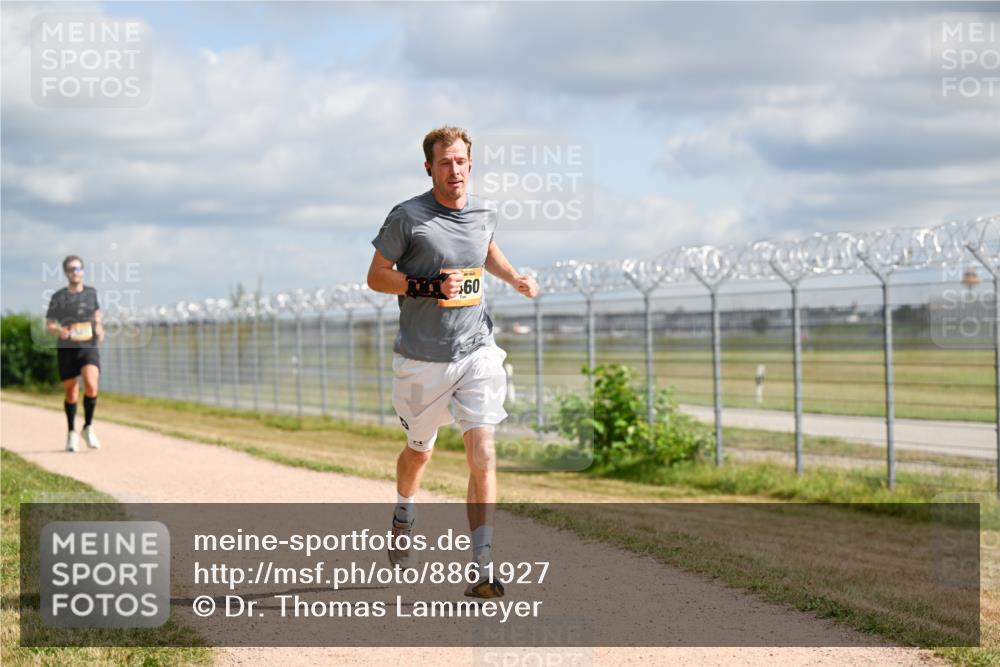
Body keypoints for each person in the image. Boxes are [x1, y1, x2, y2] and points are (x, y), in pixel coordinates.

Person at [367, 126, 539, 599]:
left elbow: (484, 252)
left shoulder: (484, 211)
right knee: (419, 452)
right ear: (429, 168)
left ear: (471, 164)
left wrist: (515, 278)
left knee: (482, 451)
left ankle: (482, 564)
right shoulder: (408, 217)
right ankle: (404, 510)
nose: (455, 170)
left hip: (476, 349)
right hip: (422, 360)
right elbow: (377, 277)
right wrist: (427, 287)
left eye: (462, 161)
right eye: (445, 163)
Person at [45, 255, 104, 452]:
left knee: (91, 383)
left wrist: (99, 327)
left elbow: (97, 312)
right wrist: (59, 331)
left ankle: (88, 426)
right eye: (71, 269)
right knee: (71, 391)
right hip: (68, 346)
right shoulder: (59, 297)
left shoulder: (91, 293)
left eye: (78, 268)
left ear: (83, 271)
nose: (75, 272)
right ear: (66, 272)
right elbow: (50, 323)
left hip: (88, 345)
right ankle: (71, 432)